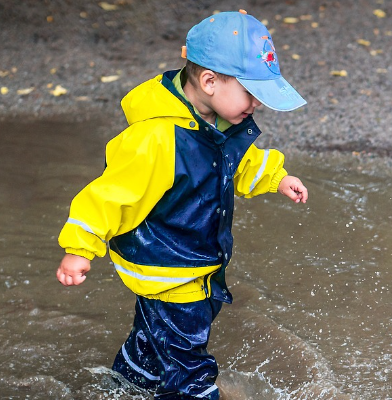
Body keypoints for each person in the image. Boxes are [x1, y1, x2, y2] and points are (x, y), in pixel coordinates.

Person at [56, 9, 308, 399]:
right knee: (190, 366)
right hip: (171, 270)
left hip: (189, 263)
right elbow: (110, 193)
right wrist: (80, 248)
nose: (256, 105)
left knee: (153, 341)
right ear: (209, 81)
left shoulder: (216, 124)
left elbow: (237, 162)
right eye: (251, 93)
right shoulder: (157, 137)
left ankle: (125, 385)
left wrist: (276, 178)